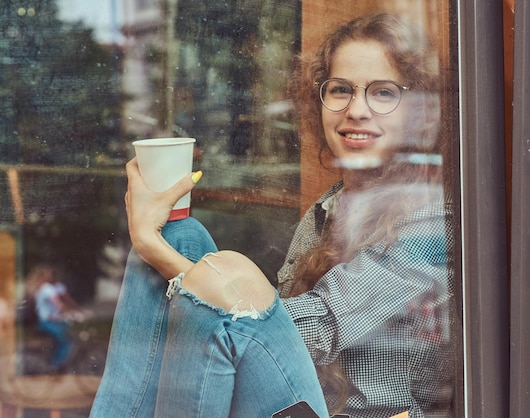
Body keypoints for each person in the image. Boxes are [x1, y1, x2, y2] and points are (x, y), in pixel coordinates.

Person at [91, 12, 454, 418]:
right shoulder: (331, 207)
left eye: (384, 93)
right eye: (340, 90)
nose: (356, 109)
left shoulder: (431, 221)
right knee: (182, 236)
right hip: (303, 403)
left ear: (420, 111)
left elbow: (304, 332)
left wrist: (151, 246)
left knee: (218, 268)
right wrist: (165, 249)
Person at [26, 265, 77, 371]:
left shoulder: (40, 288)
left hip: (43, 322)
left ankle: (56, 361)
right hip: (46, 323)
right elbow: (58, 304)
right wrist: (73, 313)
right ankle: (55, 365)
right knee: (65, 341)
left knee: (63, 334)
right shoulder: (47, 289)